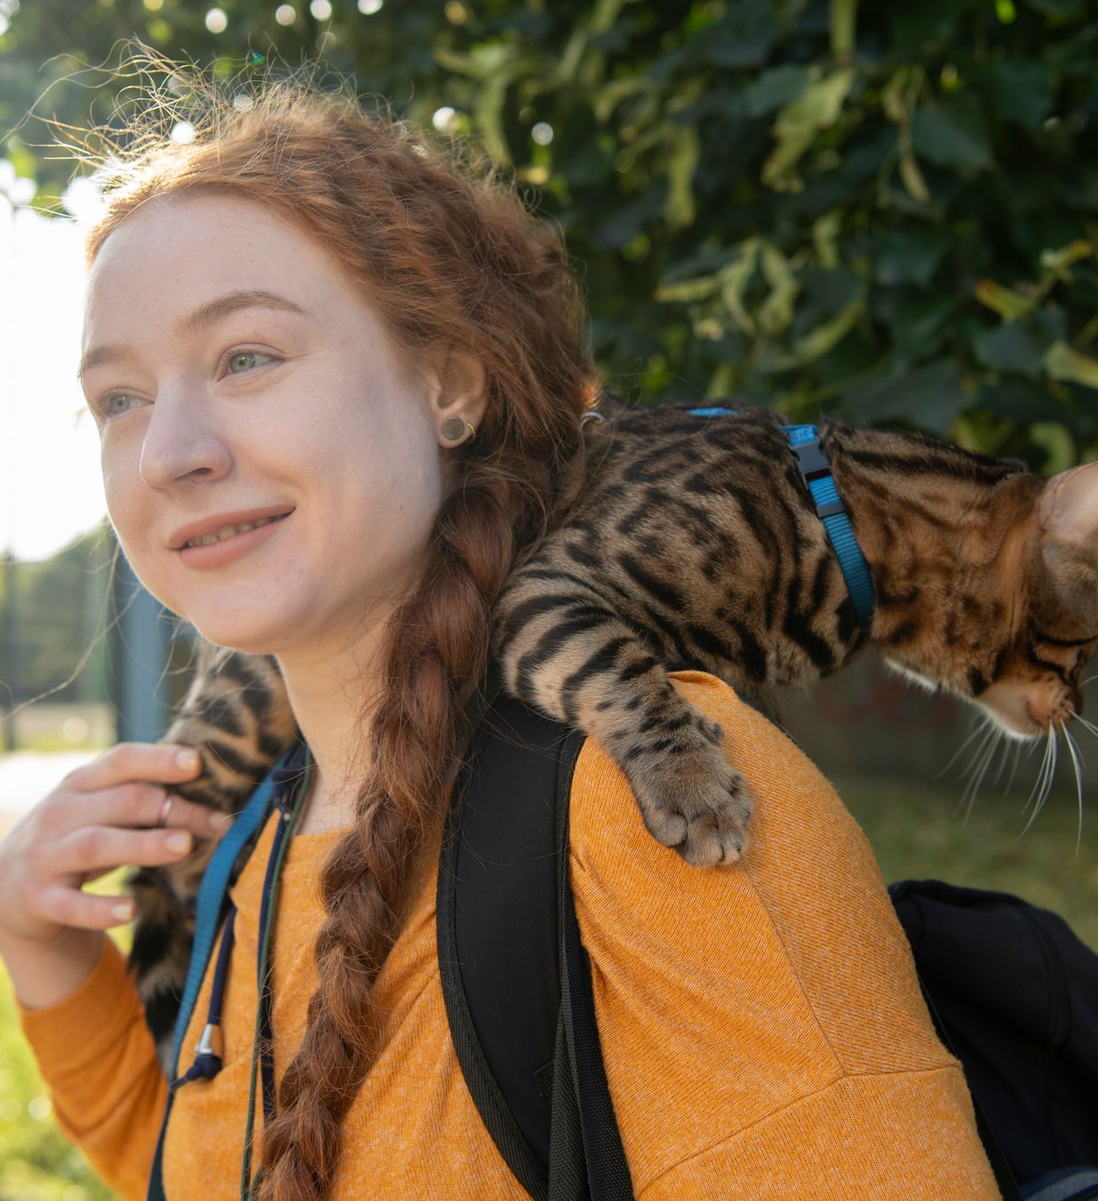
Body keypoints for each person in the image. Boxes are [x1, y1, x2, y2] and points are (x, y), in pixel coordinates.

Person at [0, 54, 1004, 1200]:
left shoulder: (648, 813)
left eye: (248, 357)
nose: (172, 449)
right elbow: (204, 1166)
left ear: (452, 388)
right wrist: (45, 948)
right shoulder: (258, 826)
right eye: (118, 398)